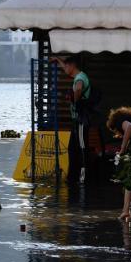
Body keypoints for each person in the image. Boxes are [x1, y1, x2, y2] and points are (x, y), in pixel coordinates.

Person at [52, 55, 90, 186]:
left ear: (72, 66)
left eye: (66, 66)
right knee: (72, 148)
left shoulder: (80, 78)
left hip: (80, 120)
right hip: (76, 120)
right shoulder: (78, 75)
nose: (64, 69)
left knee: (81, 147)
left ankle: (83, 177)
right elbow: (67, 69)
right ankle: (72, 177)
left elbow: (79, 88)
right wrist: (58, 60)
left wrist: (74, 98)